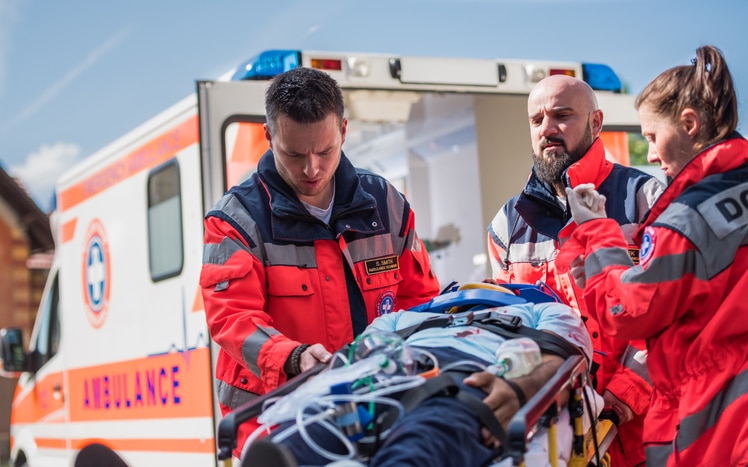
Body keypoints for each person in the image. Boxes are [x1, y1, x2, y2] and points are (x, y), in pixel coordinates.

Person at [199, 66, 441, 457]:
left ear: (343, 131)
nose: (312, 169)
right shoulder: (235, 220)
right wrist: (291, 358)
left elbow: (419, 301)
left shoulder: (386, 205)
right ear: (269, 136)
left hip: (376, 406)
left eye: (325, 151)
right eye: (294, 154)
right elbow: (232, 319)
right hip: (273, 420)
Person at [560, 45, 748, 466]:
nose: (652, 155)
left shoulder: (690, 214)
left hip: (716, 416)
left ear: (689, 124)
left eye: (652, 137)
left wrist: (594, 229)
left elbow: (633, 310)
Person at [486, 74, 664, 466]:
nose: (547, 129)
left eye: (562, 116)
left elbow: (666, 318)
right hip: (553, 440)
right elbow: (509, 327)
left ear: (596, 123)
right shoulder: (507, 224)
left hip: (643, 439)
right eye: (537, 120)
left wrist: (617, 403)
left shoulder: (645, 200)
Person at [244, 291, 594, 467]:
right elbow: (359, 355)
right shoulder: (407, 319)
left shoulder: (539, 310)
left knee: (425, 435)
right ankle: (289, 452)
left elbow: (568, 361)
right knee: (327, 422)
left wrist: (522, 387)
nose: (475, 292)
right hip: (389, 378)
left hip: (472, 381)